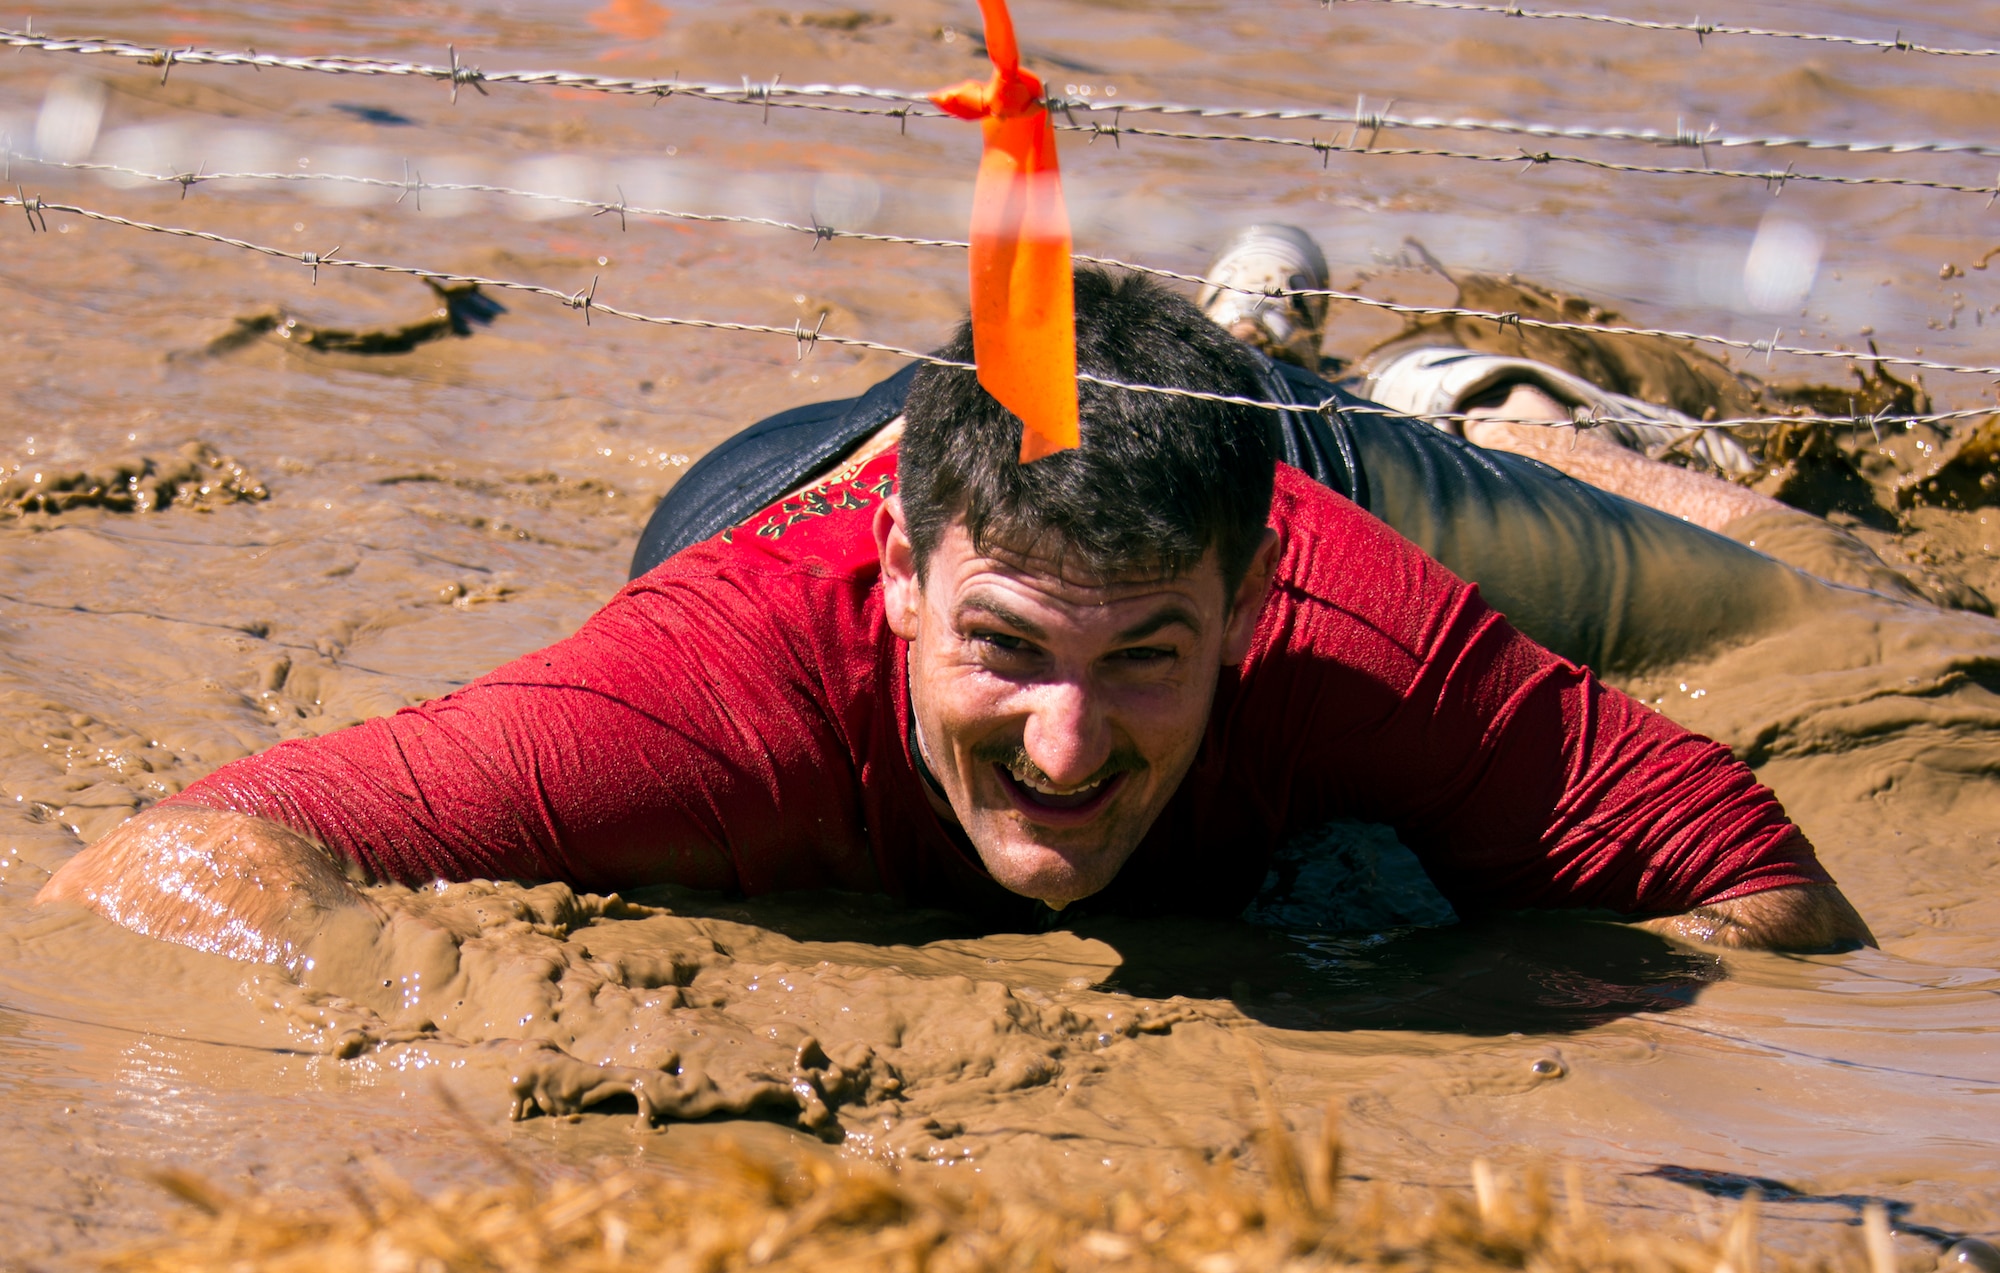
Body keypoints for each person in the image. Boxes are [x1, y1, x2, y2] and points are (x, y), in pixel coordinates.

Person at [36, 267, 1874, 962]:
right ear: (900, 581)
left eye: (1143, 658)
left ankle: (1444, 390)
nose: (1065, 749)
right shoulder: (709, 696)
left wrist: (1470, 1006)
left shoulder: (1341, 607)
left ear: (1245, 605)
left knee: (1790, 589)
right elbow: (161, 860)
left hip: (1297, 455)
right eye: (1005, 650)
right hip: (783, 475)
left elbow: (1759, 879)